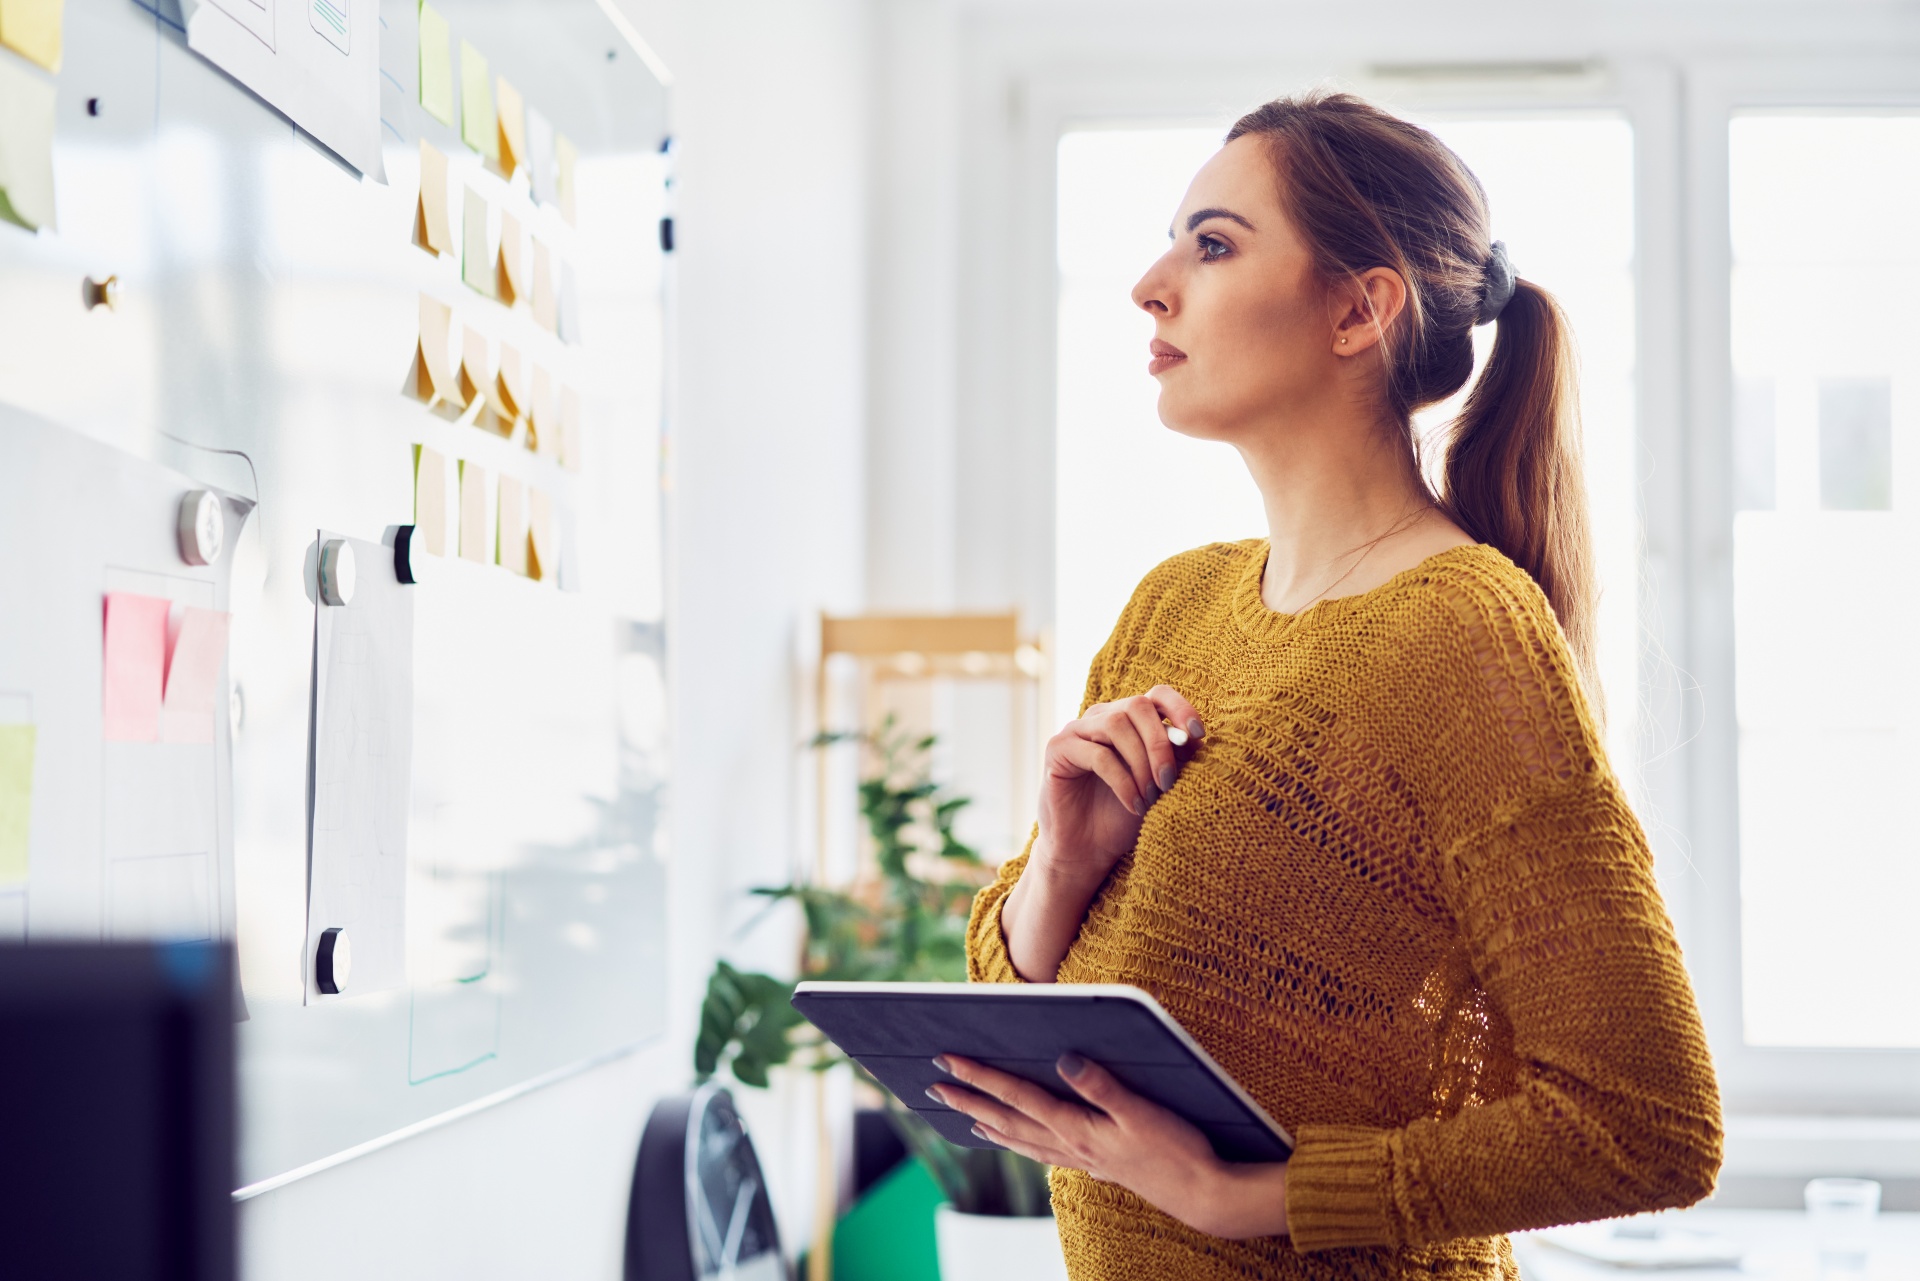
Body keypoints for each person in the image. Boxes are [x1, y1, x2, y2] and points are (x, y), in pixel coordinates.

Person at [925, 92, 1723, 1280]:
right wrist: (1060, 866)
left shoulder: (1459, 631)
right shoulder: (1174, 605)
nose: (1153, 283)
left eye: (1213, 243)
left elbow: (1649, 1122)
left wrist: (1244, 1195)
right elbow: (1026, 999)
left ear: (1360, 307)